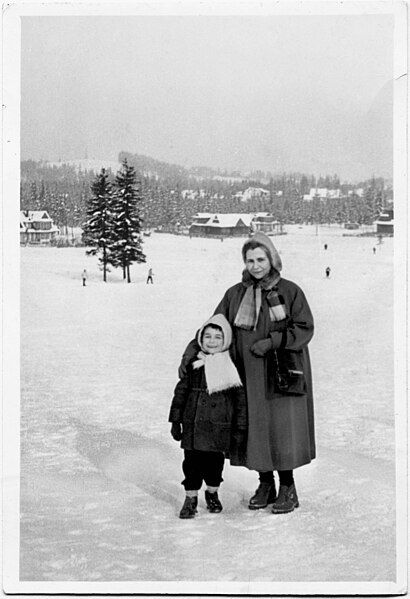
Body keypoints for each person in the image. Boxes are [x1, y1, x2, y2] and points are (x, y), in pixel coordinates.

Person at [179, 231, 315, 514]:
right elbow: (215, 325)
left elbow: (304, 327)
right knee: (254, 426)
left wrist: (272, 342)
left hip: (281, 371)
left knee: (281, 427)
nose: (255, 265)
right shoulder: (235, 294)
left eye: (261, 259)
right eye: (250, 260)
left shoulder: (289, 291)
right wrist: (192, 351)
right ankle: (265, 483)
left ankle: (288, 487)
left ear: (272, 259)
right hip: (246, 373)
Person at [169, 314, 247, 519]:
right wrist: (175, 421)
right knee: (191, 466)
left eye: (217, 338)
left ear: (226, 340)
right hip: (193, 428)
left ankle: (212, 493)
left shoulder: (230, 368)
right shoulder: (194, 365)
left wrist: (239, 428)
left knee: (214, 466)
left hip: (219, 429)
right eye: (208, 337)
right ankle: (190, 498)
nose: (212, 342)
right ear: (201, 339)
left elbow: (239, 401)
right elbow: (180, 394)